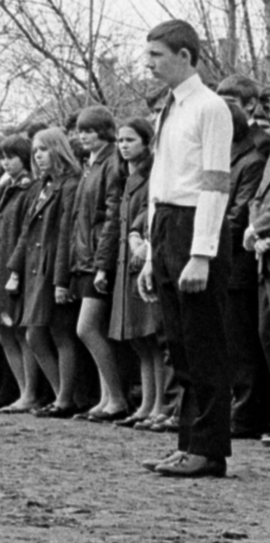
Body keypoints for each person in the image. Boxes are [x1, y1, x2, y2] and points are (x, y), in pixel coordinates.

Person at [138, 20, 234, 477]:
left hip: (196, 224)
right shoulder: (169, 109)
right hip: (166, 225)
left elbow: (215, 184)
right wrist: (151, 255)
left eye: (157, 55)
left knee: (204, 343)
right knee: (178, 345)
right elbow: (159, 183)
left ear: (185, 56)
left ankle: (210, 450)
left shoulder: (211, 107)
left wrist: (201, 254)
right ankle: (188, 443)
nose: (149, 64)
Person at [7, 127, 82, 418]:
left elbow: (66, 234)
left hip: (53, 268)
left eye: (44, 149)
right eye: (35, 151)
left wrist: (62, 280)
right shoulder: (43, 185)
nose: (38, 156)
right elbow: (26, 231)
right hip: (34, 269)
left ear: (58, 150)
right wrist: (14, 269)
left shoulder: (70, 184)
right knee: (34, 334)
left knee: (60, 333)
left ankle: (65, 399)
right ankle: (60, 393)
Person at [67, 106, 127, 422]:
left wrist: (102, 263)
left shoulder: (112, 163)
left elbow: (112, 215)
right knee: (95, 329)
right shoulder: (92, 164)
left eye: (89, 130)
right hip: (87, 257)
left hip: (100, 258)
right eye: (81, 131)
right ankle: (106, 399)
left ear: (104, 130)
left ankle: (116, 398)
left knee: (87, 328)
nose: (83, 136)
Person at [109, 118, 169, 428]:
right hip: (127, 262)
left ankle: (160, 405)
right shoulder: (125, 176)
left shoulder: (153, 173)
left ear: (146, 142)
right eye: (120, 140)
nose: (124, 145)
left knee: (152, 337)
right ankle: (146, 404)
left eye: (130, 140)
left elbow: (151, 209)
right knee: (139, 341)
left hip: (144, 259)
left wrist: (137, 234)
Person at [223, 104, 268, 438]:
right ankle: (242, 413)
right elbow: (253, 204)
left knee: (244, 344)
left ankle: (247, 415)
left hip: (239, 260)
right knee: (237, 342)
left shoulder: (250, 161)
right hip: (236, 256)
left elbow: (239, 213)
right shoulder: (233, 159)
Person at [0, 134, 40, 413]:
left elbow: (26, 234)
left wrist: (15, 270)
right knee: (3, 333)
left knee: (19, 331)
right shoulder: (6, 187)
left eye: (11, 157)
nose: (5, 163)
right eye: (2, 158)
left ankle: (30, 392)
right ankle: (22, 390)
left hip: (16, 270)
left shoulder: (30, 188)